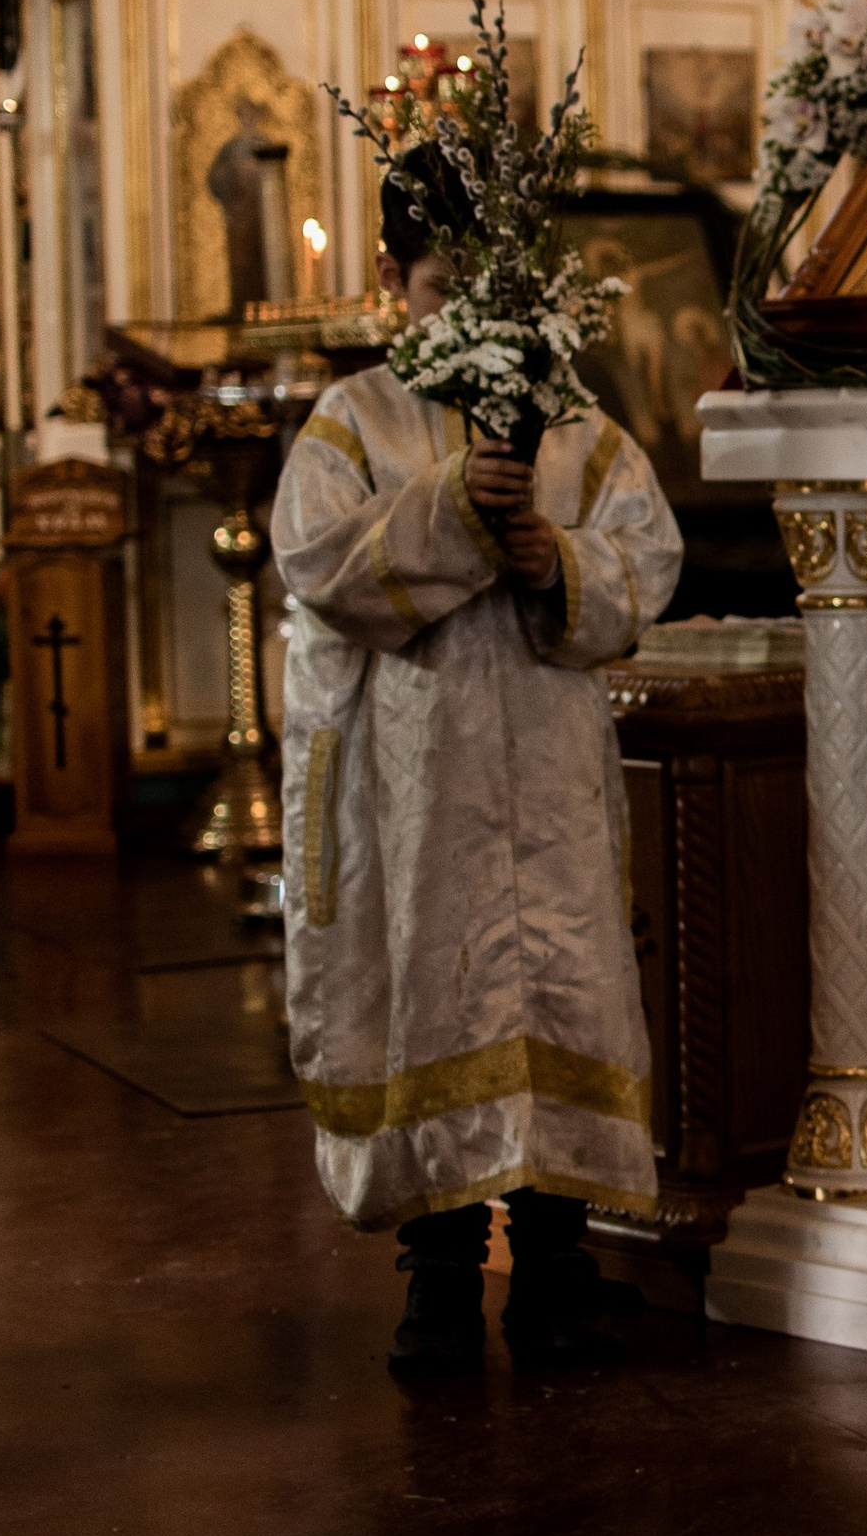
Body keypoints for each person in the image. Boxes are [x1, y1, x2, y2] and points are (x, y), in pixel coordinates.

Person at [272, 156, 683, 1380]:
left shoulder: (575, 423)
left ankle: (554, 1267)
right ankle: (440, 1281)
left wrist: (557, 559)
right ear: (392, 280)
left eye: (487, 288)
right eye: (440, 288)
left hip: (549, 773)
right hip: (417, 782)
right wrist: (449, 507)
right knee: (432, 990)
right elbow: (317, 560)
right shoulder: (357, 418)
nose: (464, 312)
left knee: (561, 984)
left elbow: (645, 555)